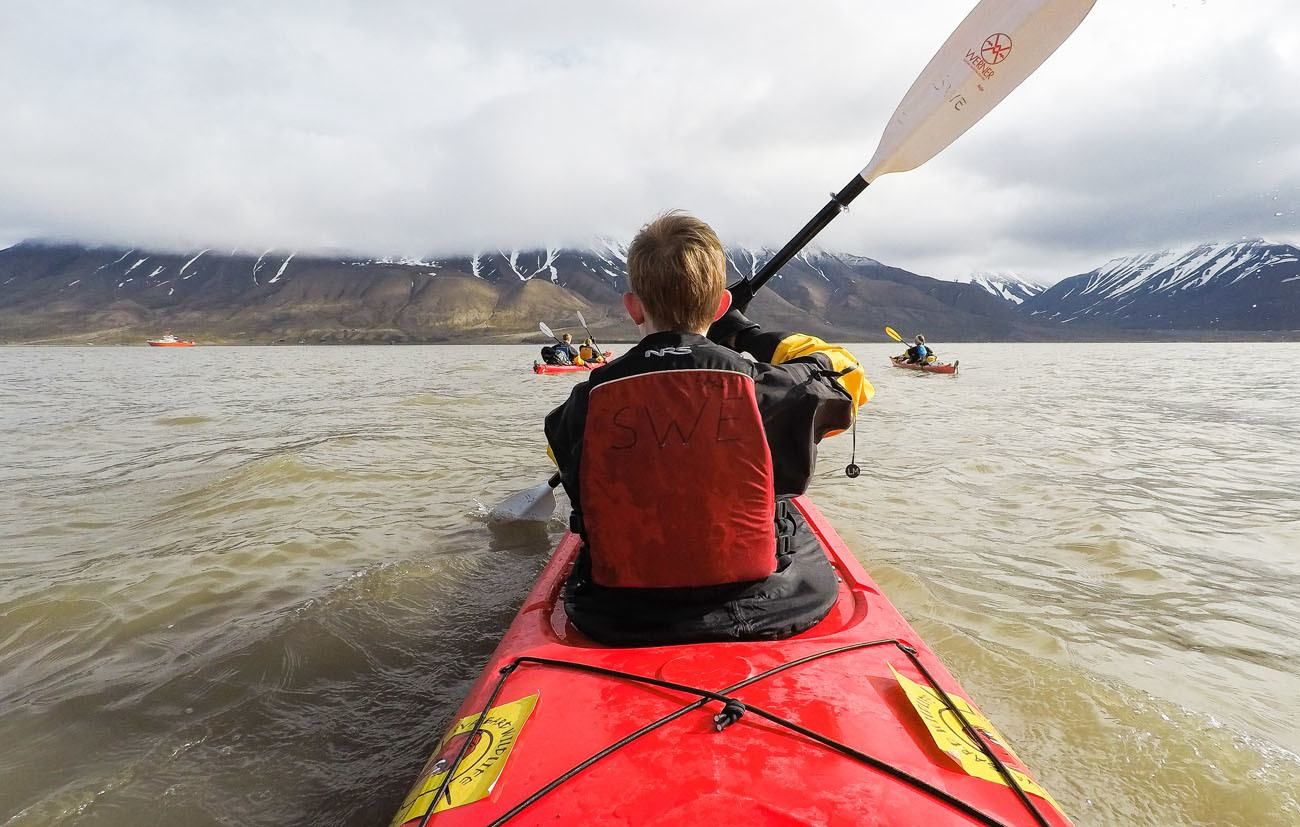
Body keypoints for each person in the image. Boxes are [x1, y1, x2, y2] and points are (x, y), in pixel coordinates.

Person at [544, 212, 874, 645]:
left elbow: (561, 456)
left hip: (617, 612)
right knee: (788, 509)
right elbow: (852, 375)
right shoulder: (773, 392)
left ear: (633, 307)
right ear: (719, 306)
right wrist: (747, 334)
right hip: (773, 602)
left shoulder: (580, 407)